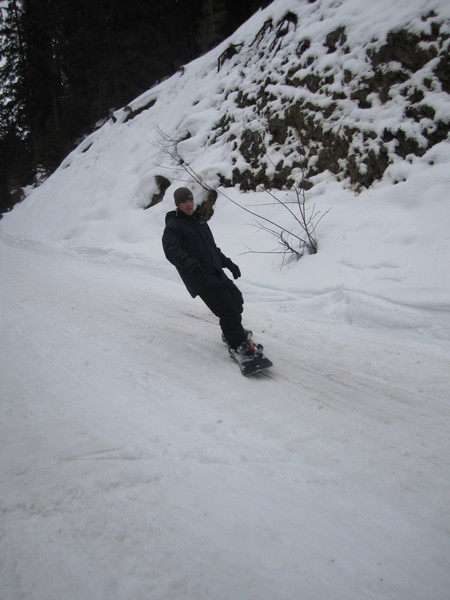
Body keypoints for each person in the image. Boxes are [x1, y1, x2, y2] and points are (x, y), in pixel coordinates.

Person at [162, 187, 260, 357]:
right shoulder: (174, 225)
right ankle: (237, 344)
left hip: (214, 271)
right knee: (227, 309)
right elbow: (170, 249)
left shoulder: (199, 221)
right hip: (199, 277)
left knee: (236, 300)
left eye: (190, 199)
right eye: (184, 201)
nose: (188, 204)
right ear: (177, 204)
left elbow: (212, 248)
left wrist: (228, 264)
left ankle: (231, 332)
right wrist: (186, 260)